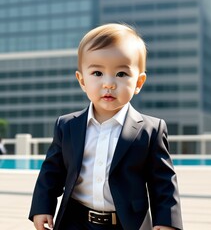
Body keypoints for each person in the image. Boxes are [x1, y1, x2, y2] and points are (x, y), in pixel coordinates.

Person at [29, 23, 183, 230]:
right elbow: (51, 171)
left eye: (121, 74)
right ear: (82, 81)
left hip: (128, 223)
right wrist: (42, 207)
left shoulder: (150, 130)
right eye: (97, 73)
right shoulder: (67, 125)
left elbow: (163, 182)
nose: (108, 83)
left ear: (138, 82)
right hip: (75, 220)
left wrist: (166, 222)